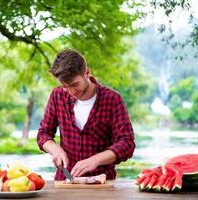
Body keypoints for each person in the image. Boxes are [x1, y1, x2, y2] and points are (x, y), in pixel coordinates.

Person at [37, 49, 135, 180]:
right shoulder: (57, 96)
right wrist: (55, 150)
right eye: (65, 87)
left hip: (102, 183)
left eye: (74, 84)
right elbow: (43, 134)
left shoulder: (112, 99)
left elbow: (127, 143)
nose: (71, 91)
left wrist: (96, 160)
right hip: (65, 182)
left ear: (87, 73)